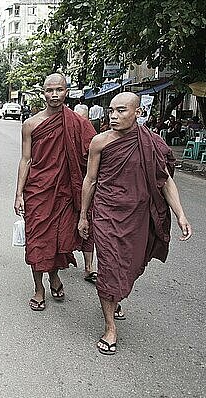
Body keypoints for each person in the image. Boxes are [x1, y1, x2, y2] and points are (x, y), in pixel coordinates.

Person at [78, 92, 192, 355]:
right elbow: (90, 180)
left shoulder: (152, 143)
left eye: (121, 111)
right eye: (111, 112)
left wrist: (180, 214)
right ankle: (109, 327)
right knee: (108, 269)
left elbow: (165, 181)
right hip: (106, 213)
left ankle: (115, 296)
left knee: (129, 266)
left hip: (138, 216)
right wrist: (84, 215)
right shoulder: (100, 142)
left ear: (138, 113)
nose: (114, 117)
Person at [14, 73, 97, 312]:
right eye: (49, 91)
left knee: (58, 239)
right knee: (37, 240)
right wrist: (19, 193)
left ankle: (54, 276)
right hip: (38, 190)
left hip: (64, 193)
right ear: (43, 93)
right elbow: (26, 159)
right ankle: (38, 287)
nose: (54, 95)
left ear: (66, 92)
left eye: (59, 90)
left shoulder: (77, 123)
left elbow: (93, 154)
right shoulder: (31, 124)